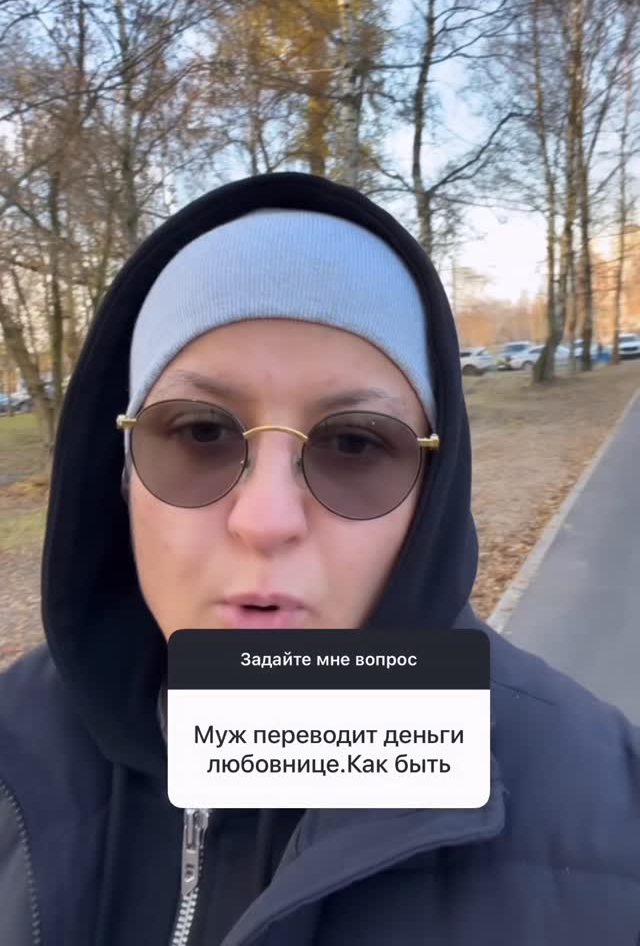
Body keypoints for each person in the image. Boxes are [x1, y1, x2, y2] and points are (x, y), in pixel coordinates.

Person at [0, 171, 638, 946]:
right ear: (121, 471)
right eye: (201, 433)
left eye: (354, 444)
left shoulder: (614, 811)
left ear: (432, 494)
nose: (266, 521)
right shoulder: (14, 748)